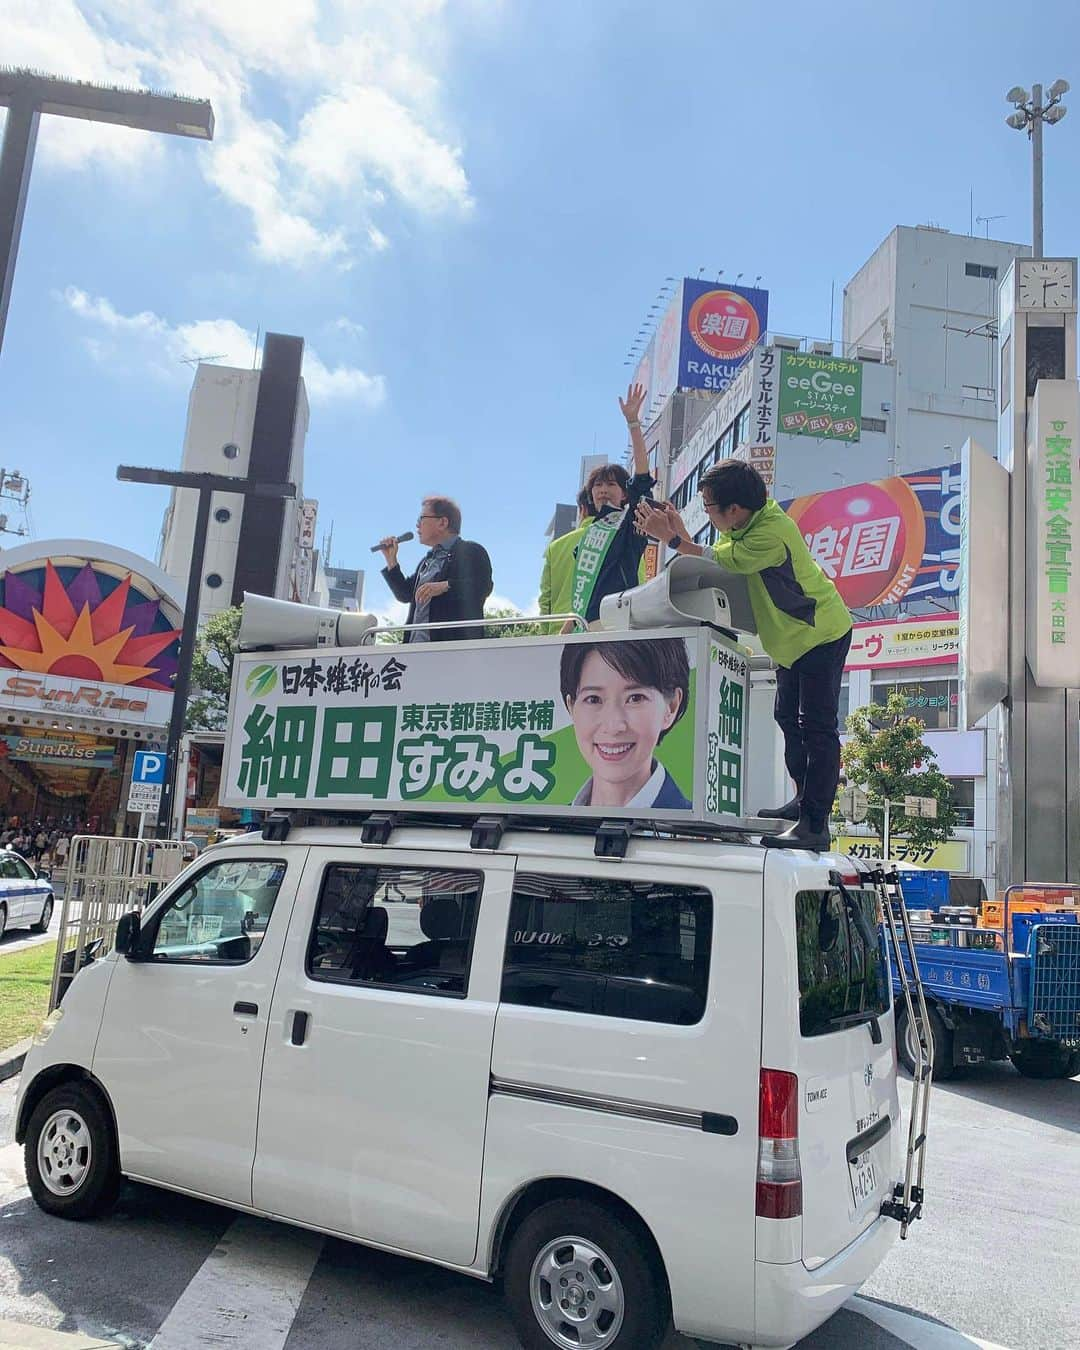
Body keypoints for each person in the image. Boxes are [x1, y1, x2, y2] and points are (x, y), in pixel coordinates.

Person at [636, 462, 852, 851]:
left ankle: (815, 824)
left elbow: (727, 562)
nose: (708, 513)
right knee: (787, 717)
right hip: (793, 642)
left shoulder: (770, 534)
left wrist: (672, 539)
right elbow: (718, 554)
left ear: (733, 509)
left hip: (820, 633)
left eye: (708, 507)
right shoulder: (751, 524)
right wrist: (680, 535)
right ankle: (803, 803)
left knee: (817, 727)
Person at [560, 638, 692, 810]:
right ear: (571, 707)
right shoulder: (545, 831)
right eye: (593, 699)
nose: (613, 726)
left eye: (635, 698)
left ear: (671, 706)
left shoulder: (698, 834)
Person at [564, 383, 656, 629]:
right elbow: (583, 594)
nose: (603, 490)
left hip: (618, 619)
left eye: (611, 485)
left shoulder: (630, 520)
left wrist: (633, 423)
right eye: (597, 485)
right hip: (586, 624)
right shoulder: (589, 533)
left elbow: (643, 475)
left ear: (625, 493)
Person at [378, 496, 493, 643]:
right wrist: (391, 560)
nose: (417, 525)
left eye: (422, 518)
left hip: (452, 652)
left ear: (442, 522)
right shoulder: (427, 561)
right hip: (414, 650)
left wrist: (445, 586)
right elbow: (405, 594)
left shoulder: (470, 551)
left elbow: (483, 586)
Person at [538, 487, 592, 632]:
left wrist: (546, 638)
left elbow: (545, 602)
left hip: (559, 637)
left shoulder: (555, 547)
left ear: (582, 510)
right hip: (606, 640)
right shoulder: (623, 541)